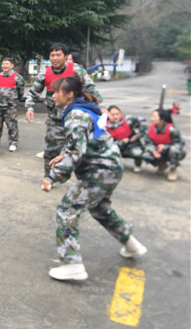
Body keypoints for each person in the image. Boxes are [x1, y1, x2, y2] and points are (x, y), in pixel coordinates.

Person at [42, 76, 146, 281]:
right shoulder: (84, 109)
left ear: (69, 94)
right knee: (100, 209)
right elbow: (81, 141)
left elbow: (75, 151)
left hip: (99, 170)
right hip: (111, 167)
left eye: (57, 91)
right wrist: (63, 154)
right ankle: (132, 246)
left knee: (67, 209)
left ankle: (72, 264)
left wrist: (52, 177)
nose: (53, 95)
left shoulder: (76, 113)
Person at [26, 42, 103, 178]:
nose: (55, 58)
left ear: (66, 56)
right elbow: (32, 93)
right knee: (50, 152)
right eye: (52, 55)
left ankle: (87, 180)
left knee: (80, 150)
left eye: (58, 55)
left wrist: (101, 109)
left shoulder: (77, 71)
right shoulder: (45, 73)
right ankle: (49, 177)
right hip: (55, 121)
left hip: (75, 119)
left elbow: (91, 90)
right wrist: (29, 107)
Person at [0, 57, 25, 151]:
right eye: (3, 64)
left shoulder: (17, 77)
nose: (5, 66)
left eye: (7, 64)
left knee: (12, 125)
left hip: (10, 106)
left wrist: (13, 99)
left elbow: (21, 92)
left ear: (12, 65)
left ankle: (13, 143)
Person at [141, 108, 186, 181]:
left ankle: (173, 169)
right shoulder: (149, 129)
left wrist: (165, 146)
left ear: (162, 120)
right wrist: (152, 151)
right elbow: (147, 143)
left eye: (154, 117)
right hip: (158, 151)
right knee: (145, 155)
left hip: (171, 151)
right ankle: (162, 164)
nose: (151, 118)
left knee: (174, 150)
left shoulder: (172, 129)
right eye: (151, 116)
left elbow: (180, 143)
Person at [106, 105, 146, 173]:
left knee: (137, 152)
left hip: (131, 143)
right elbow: (106, 143)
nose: (115, 116)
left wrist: (138, 135)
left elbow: (143, 121)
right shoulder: (104, 124)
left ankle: (137, 164)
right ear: (108, 114)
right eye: (113, 114)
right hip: (116, 145)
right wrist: (121, 142)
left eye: (117, 114)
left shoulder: (127, 119)